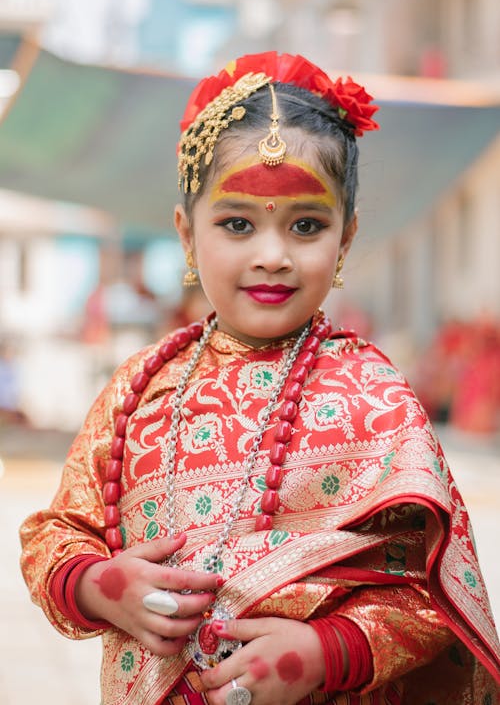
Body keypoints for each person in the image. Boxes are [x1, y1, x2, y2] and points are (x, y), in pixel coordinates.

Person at [20, 51, 500, 705]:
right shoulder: (138, 390)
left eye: (306, 225)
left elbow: (425, 590)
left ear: (346, 238)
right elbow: (56, 535)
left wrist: (326, 654)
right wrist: (102, 587)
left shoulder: (376, 400)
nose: (272, 255)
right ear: (187, 236)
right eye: (237, 224)